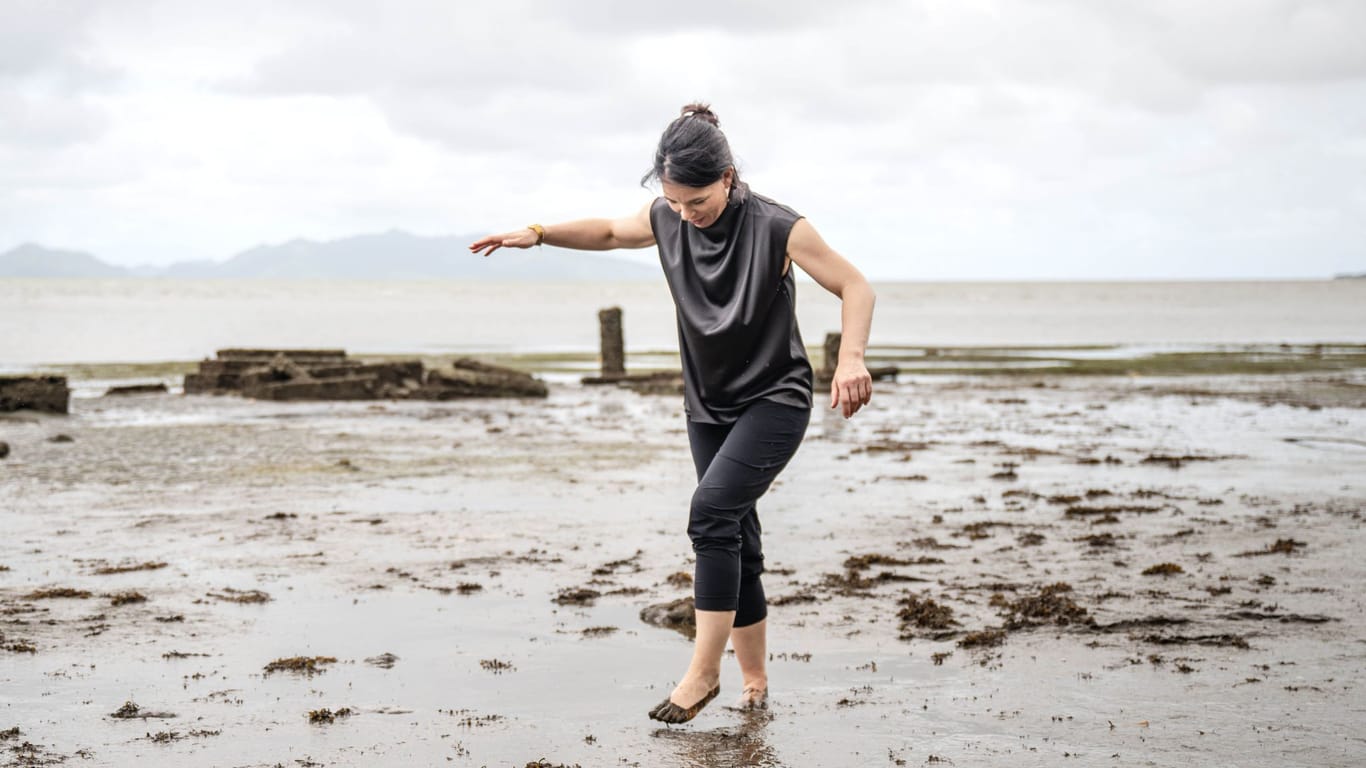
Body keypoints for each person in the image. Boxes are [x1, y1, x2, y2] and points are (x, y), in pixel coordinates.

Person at [469, 103, 875, 724]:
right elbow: (608, 232)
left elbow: (856, 286)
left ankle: (704, 671)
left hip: (774, 400)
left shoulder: (777, 228)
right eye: (676, 203)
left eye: (699, 203)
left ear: (729, 177)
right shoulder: (668, 215)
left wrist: (850, 360)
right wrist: (539, 232)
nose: (687, 215)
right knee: (738, 532)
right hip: (707, 405)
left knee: (710, 514)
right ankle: (756, 680)